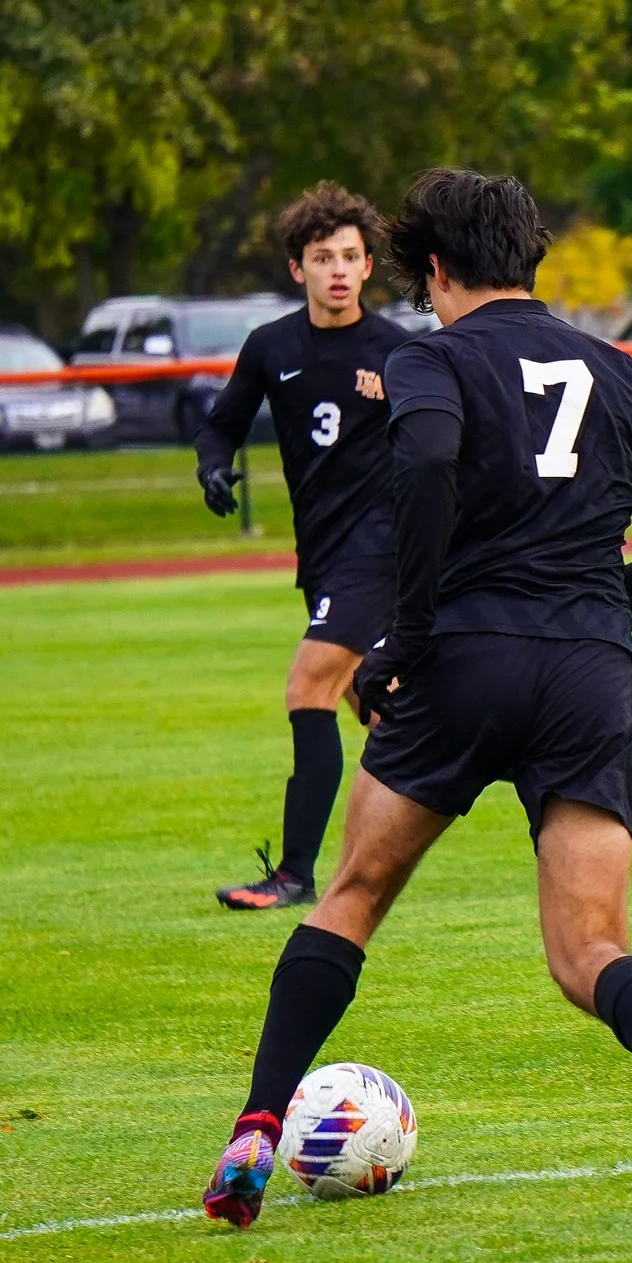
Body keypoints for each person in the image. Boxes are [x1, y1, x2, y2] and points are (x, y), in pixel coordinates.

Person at [202, 168, 632, 1228]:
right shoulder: (626, 371)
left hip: (464, 656)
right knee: (589, 950)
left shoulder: (428, 356)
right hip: (588, 670)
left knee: (352, 895)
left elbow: (434, 459)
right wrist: (607, 595)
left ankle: (258, 1128)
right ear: (531, 258)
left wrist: (404, 633)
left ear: (434, 269)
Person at [193, 182, 416, 911]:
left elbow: (447, 437)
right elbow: (221, 422)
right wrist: (212, 466)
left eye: (351, 256)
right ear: (298, 268)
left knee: (308, 686)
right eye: (324, 257)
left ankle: (294, 874)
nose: (340, 270)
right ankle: (519, 779)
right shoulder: (272, 347)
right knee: (381, 708)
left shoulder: (396, 352)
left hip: (380, 547)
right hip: (322, 551)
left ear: (368, 264)